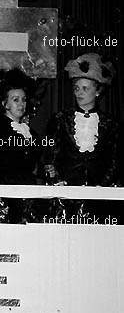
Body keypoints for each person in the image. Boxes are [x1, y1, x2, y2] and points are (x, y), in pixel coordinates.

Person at [43, 53, 119, 219]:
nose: (79, 93)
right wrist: (57, 182)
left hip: (99, 199)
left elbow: (115, 160)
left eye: (85, 88)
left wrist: (102, 186)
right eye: (77, 88)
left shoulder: (110, 124)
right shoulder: (60, 119)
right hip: (65, 197)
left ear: (97, 91)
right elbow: (49, 156)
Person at [0, 68, 41, 223]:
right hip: (5, 195)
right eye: (16, 99)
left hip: (28, 194)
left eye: (24, 99)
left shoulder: (30, 132)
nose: (21, 104)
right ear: (4, 103)